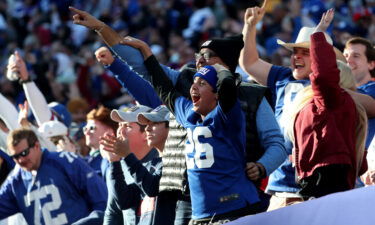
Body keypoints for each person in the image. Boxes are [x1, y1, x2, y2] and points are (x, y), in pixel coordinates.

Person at [239, 2, 375, 210]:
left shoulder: (337, 92)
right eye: (295, 52)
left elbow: (370, 106)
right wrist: (250, 27)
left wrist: (331, 92)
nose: (296, 57)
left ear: (322, 57)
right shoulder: (282, 77)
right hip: (282, 185)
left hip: (321, 181)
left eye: (306, 52)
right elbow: (249, 63)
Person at [284, 10, 368, 199]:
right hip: (317, 176)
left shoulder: (330, 99)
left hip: (324, 177)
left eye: (305, 52)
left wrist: (318, 34)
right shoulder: (328, 103)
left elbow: (323, 76)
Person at [0, 128, 107, 224]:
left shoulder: (65, 162)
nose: (20, 160)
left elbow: (102, 201)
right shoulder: (15, 181)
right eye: (15, 157)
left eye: (24, 153)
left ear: (37, 146)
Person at [99, 105, 163, 225]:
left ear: (146, 132)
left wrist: (127, 157)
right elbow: (113, 211)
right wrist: (114, 162)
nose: (120, 131)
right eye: (119, 125)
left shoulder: (162, 161)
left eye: (127, 126)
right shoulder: (117, 166)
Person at [344, 37, 375, 148]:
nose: (348, 61)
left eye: (356, 56)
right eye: (345, 56)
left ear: (371, 64)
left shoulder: (373, 88)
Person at [83, 106, 118, 178]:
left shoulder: (115, 158)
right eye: (85, 128)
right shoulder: (84, 159)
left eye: (92, 128)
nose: (87, 132)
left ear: (109, 131)